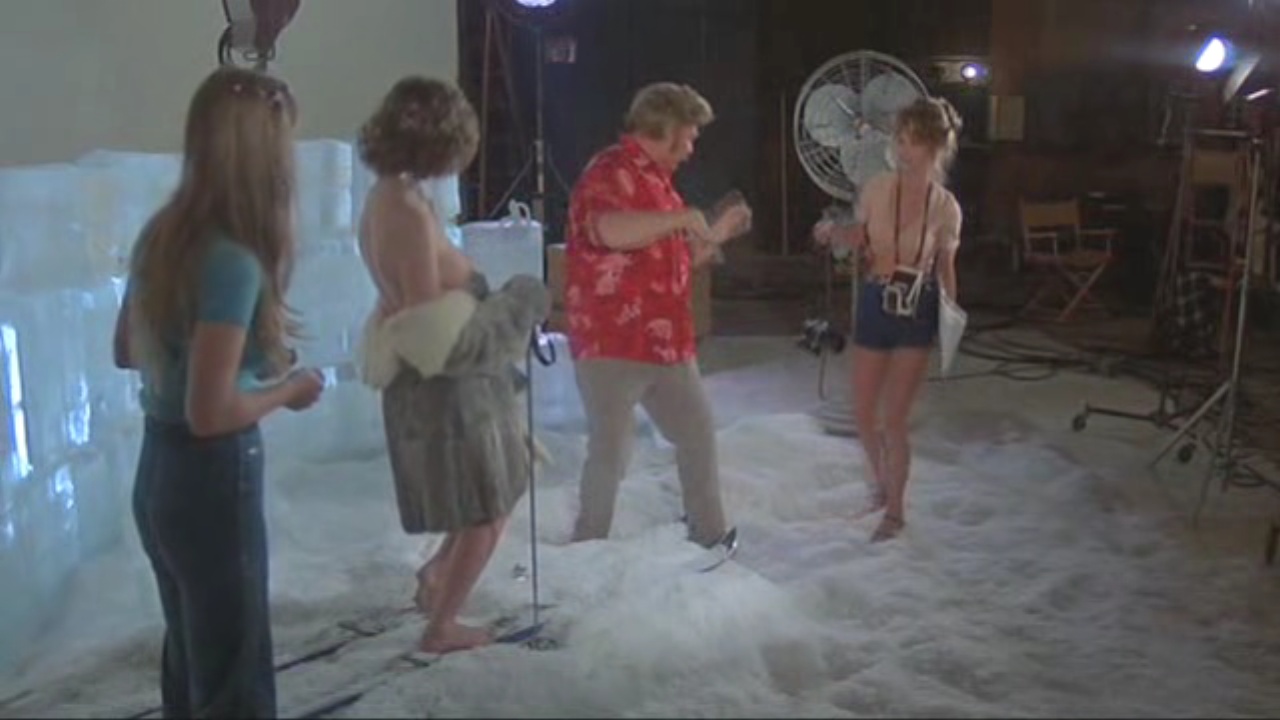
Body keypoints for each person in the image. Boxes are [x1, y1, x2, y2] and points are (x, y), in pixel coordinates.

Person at [112, 66, 326, 719]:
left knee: (191, 661)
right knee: (234, 675)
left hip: (158, 472)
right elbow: (210, 413)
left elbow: (126, 350)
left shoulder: (161, 236)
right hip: (210, 476)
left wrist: (238, 363)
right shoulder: (234, 257)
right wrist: (287, 389)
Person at [355, 76, 550, 654]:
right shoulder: (407, 210)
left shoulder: (385, 196)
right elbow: (427, 322)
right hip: (449, 385)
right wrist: (513, 307)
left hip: (445, 380)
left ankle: (439, 573)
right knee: (487, 511)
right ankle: (442, 625)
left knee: (485, 496)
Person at [564, 82, 752, 550]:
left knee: (697, 435)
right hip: (613, 340)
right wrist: (682, 218)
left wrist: (718, 233)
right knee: (611, 450)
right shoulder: (610, 169)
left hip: (667, 342)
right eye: (687, 138)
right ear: (663, 128)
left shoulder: (659, 182)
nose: (690, 150)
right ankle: (587, 547)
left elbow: (674, 259)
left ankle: (710, 538)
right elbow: (609, 231)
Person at [815, 97, 964, 543]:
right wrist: (833, 233)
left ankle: (896, 511)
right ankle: (881, 486)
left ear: (935, 147)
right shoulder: (878, 188)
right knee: (864, 412)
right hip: (875, 299)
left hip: (917, 306)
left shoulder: (945, 206)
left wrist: (950, 323)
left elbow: (947, 269)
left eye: (912, 141)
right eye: (899, 140)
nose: (903, 150)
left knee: (894, 418)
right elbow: (860, 237)